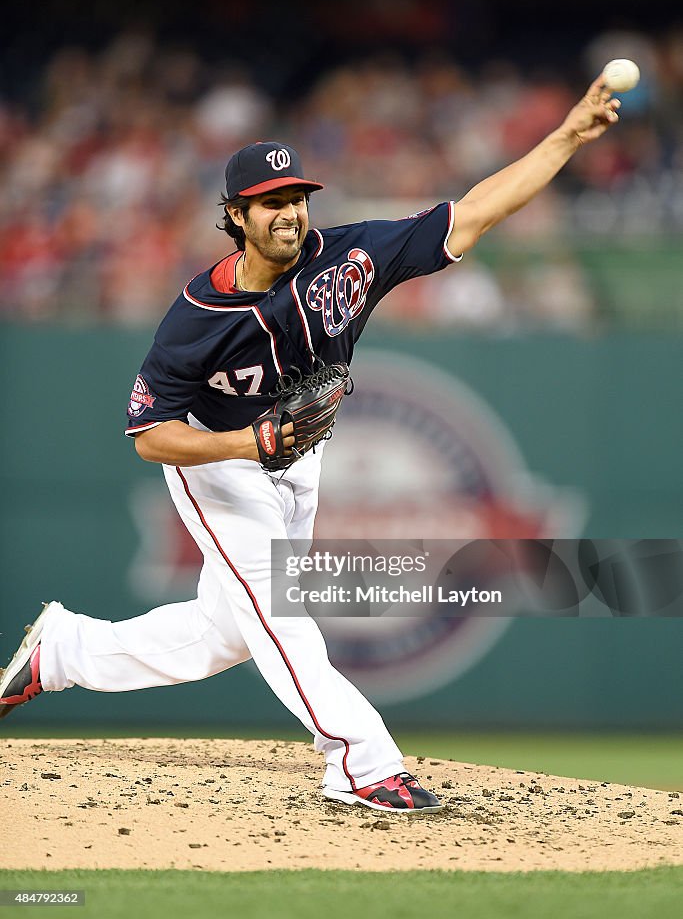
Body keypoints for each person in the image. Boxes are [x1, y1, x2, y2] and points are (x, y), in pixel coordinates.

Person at [0, 75, 620, 814]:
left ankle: (63, 651)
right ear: (235, 215)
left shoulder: (351, 257)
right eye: (270, 202)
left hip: (298, 456)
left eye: (296, 197)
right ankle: (361, 764)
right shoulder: (196, 316)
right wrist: (242, 442)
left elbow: (478, 212)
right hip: (217, 458)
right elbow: (148, 437)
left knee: (223, 634)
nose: (289, 212)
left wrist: (566, 137)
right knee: (279, 611)